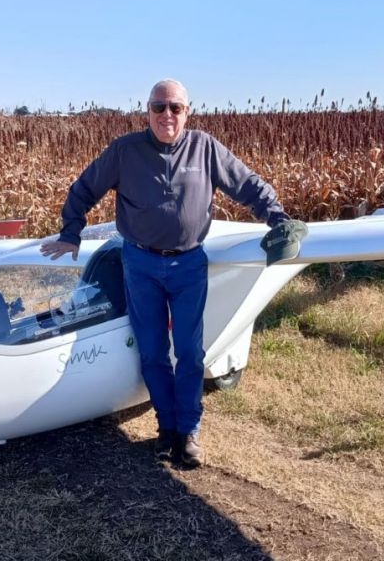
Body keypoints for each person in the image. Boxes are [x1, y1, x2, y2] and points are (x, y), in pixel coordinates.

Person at [40, 79, 295, 467]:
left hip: (189, 263)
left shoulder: (205, 148)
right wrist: (71, 232)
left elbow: (246, 185)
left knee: (191, 352)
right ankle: (166, 428)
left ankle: (188, 431)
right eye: (159, 107)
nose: (167, 115)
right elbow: (84, 188)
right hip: (140, 263)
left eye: (175, 107)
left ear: (187, 112)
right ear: (147, 111)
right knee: (154, 351)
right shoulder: (125, 151)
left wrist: (278, 219)